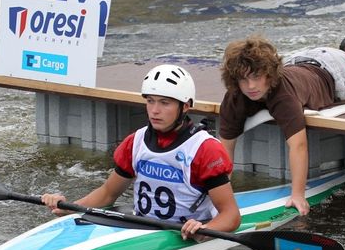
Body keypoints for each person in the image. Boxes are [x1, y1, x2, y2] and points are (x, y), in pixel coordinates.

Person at [42, 64, 241, 240]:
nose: (154, 110)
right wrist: (68, 208)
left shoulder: (205, 149)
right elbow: (107, 194)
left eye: (165, 103)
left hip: (184, 230)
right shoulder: (135, 142)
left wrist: (205, 229)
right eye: (150, 101)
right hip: (141, 227)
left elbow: (231, 216)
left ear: (185, 106)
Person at [218, 35, 345, 215]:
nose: (251, 86)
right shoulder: (234, 98)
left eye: (256, 77)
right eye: (243, 79)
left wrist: (297, 195)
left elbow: (298, 146)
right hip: (301, 60)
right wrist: (219, 198)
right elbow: (225, 150)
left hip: (338, 72)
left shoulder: (284, 97)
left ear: (269, 74)